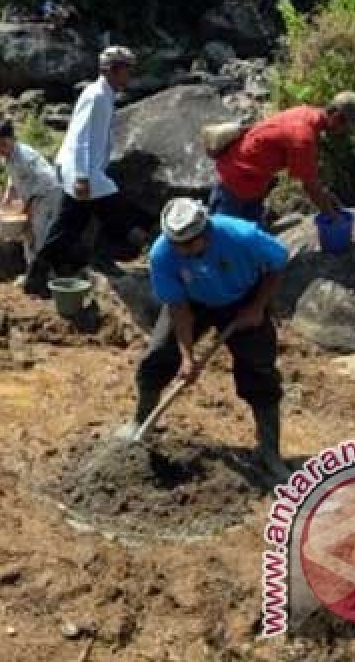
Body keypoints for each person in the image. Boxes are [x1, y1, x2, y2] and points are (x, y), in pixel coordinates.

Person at [118, 198, 291, 481]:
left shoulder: (242, 235)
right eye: (177, 245)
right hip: (193, 301)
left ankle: (269, 451)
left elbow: (278, 263)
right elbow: (177, 307)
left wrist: (257, 307)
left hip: (243, 298)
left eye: (189, 245)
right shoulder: (163, 254)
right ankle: (140, 420)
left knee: (259, 371)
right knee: (158, 357)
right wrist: (187, 356)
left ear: (206, 232)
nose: (182, 251)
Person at [38, 45, 135, 284]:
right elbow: (81, 136)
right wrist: (82, 176)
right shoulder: (97, 96)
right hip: (83, 172)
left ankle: (55, 269)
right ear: (114, 70)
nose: (129, 76)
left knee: (70, 225)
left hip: (89, 171)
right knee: (114, 212)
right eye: (126, 70)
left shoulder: (105, 95)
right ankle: (98, 259)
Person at [210, 92, 355, 224]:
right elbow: (310, 187)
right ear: (336, 117)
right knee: (223, 239)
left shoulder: (307, 113)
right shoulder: (303, 136)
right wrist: (335, 218)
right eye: (345, 129)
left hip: (253, 182)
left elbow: (310, 175)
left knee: (248, 244)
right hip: (235, 182)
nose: (343, 134)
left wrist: (325, 195)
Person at [0, 118, 64, 294]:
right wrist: (8, 196)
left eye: (3, 144)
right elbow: (14, 178)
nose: (0, 149)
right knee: (28, 235)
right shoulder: (8, 157)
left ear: (12, 139)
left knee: (40, 235)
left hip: (47, 196)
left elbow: (46, 179)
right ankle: (32, 273)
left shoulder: (24, 155)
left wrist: (28, 206)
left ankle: (48, 279)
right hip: (32, 198)